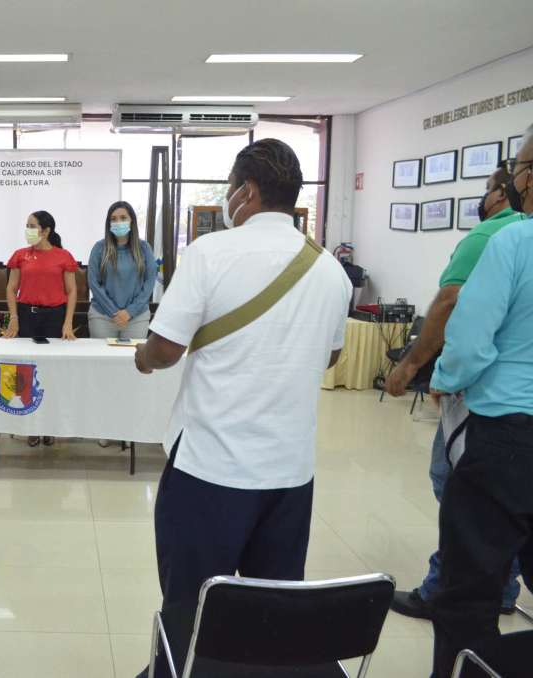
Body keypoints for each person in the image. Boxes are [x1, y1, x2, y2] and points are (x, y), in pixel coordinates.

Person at [132, 139, 351, 678]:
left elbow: (163, 350)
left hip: (211, 467)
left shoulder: (211, 253)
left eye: (232, 189)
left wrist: (141, 356)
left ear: (246, 192)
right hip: (289, 476)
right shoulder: (330, 270)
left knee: (190, 607)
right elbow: (332, 355)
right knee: (268, 615)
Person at [386, 162, 527, 620]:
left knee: (465, 511)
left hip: (502, 422)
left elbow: (459, 319)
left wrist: (439, 378)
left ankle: (452, 588)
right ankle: (503, 585)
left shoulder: (503, 237)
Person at [427, 128, 533, 678]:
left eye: (514, 169)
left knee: (469, 593)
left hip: (505, 437)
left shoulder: (512, 242)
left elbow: (468, 342)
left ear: (529, 178)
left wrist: (442, 377)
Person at [3, 210, 79, 447]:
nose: (28, 229)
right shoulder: (20, 255)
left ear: (46, 231)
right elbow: (11, 288)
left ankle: (52, 425)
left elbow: (71, 291)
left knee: (53, 371)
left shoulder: (63, 256)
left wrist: (68, 322)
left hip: (54, 317)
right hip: (27, 316)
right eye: (26, 225)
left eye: (33, 225)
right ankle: (31, 426)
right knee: (26, 371)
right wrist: (13, 317)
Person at [87, 200, 156, 340]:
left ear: (132, 221)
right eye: (113, 219)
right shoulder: (99, 248)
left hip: (136, 317)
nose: (118, 222)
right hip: (102, 316)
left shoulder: (144, 248)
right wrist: (114, 311)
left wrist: (130, 311)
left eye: (123, 218)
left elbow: (149, 283)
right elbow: (93, 283)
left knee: (132, 360)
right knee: (101, 360)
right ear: (109, 223)